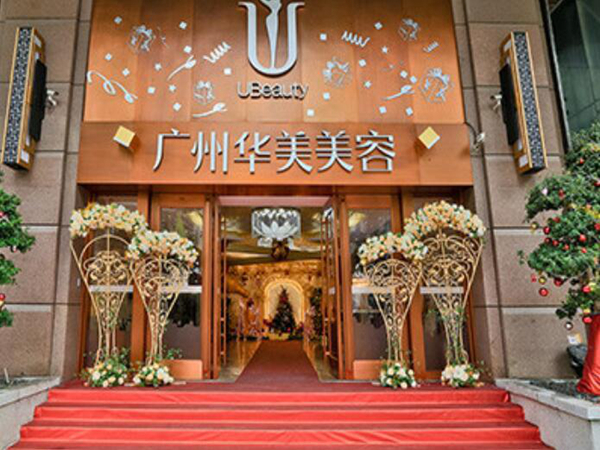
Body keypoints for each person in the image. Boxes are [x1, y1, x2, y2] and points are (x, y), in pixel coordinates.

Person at [260, 0, 282, 69]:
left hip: (274, 17)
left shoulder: (275, 2)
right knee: (272, 39)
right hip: (272, 18)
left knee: (273, 40)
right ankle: (272, 64)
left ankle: (273, 64)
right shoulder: (272, 2)